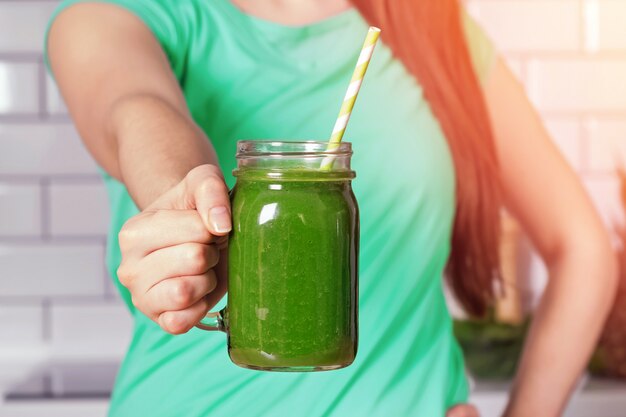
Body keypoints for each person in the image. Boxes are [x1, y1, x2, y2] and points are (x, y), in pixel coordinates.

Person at [45, 0, 617, 416]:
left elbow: (583, 247)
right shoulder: (121, 15)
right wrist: (184, 195)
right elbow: (134, 105)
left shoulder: (435, 31)